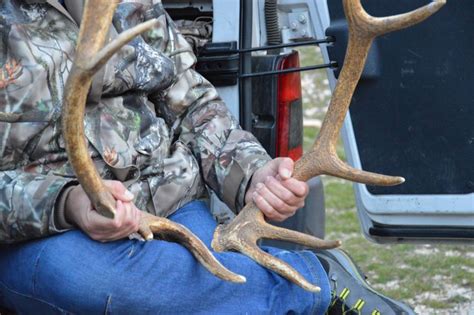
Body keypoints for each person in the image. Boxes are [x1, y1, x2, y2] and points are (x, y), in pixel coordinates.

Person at [0, 0, 414, 314]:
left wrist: (253, 174)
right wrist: (69, 203)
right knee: (89, 281)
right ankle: (313, 284)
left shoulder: (131, 4)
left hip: (172, 206)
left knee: (203, 274)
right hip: (49, 233)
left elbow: (193, 106)